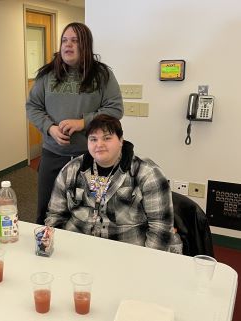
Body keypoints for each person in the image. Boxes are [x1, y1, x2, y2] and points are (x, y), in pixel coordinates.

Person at [25, 22, 123, 225]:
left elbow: (115, 109)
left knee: (90, 214)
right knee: (46, 210)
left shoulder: (102, 75)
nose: (67, 45)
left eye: (75, 41)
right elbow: (32, 107)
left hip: (90, 157)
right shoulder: (46, 75)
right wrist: (50, 128)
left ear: (85, 45)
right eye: (64, 40)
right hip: (53, 155)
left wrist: (83, 122)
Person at [45, 115, 176, 251]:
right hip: (77, 249)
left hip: (127, 253)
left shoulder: (147, 173)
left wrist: (146, 264)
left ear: (121, 141)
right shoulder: (72, 169)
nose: (99, 144)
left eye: (107, 138)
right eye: (93, 139)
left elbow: (161, 229)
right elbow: (55, 216)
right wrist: (58, 250)